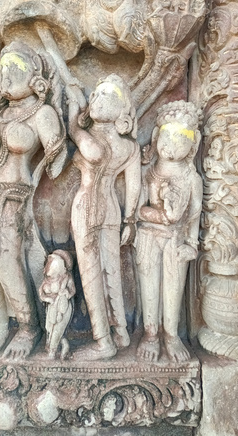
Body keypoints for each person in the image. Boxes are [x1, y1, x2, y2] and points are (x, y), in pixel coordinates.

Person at [0, 41, 67, 370]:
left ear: (35, 76)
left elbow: (56, 153)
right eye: (3, 69)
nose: (6, 76)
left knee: (6, 259)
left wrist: (55, 153)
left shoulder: (41, 113)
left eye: (15, 69)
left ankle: (27, 325)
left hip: (15, 196)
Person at [68, 74, 141, 361]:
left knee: (93, 273)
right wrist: (130, 219)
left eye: (107, 95)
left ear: (123, 110)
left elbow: (84, 142)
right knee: (109, 269)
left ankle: (103, 340)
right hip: (110, 208)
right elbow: (133, 188)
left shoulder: (92, 139)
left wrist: (74, 118)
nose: (97, 99)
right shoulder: (129, 147)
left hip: (88, 205)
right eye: (95, 94)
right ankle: (120, 331)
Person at [135, 100, 202, 362]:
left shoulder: (191, 178)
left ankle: (172, 335)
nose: (171, 144)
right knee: (149, 286)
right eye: (166, 135)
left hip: (177, 239)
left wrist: (192, 243)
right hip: (148, 237)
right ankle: (151, 334)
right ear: (155, 136)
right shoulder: (148, 172)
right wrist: (160, 216)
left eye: (180, 138)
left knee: (173, 289)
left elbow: (194, 214)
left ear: (192, 144)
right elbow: (137, 209)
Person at [39, 249, 75, 360]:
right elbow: (41, 294)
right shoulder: (47, 280)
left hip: (62, 308)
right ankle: (64, 346)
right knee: (49, 330)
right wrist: (48, 299)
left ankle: (52, 353)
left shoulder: (66, 278)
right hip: (51, 308)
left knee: (57, 330)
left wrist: (67, 293)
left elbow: (72, 291)